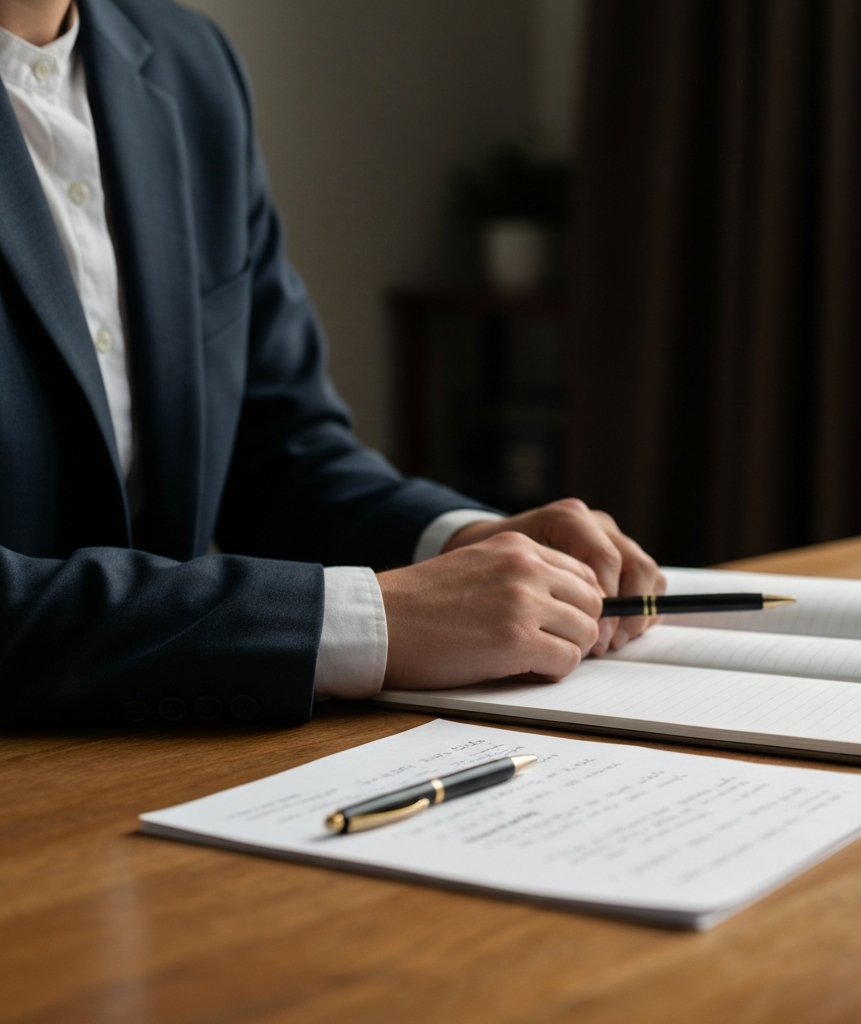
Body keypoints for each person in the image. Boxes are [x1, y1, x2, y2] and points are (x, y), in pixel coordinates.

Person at [0, 0, 664, 728]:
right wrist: (363, 621)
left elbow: (280, 450)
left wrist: (463, 540)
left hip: (169, 757)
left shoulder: (191, 64)